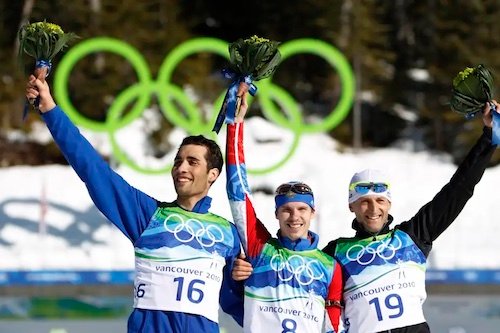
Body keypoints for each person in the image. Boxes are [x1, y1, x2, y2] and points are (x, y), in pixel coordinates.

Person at [232, 101, 498, 332]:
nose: (373, 209)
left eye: (380, 201)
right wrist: (248, 271)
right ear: (352, 207)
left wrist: (488, 138)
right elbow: (293, 278)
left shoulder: (413, 236)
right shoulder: (334, 253)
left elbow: (458, 190)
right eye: (364, 202)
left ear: (389, 204)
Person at [25, 74, 243, 333]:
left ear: (212, 175)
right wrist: (50, 110)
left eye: (192, 162)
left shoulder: (228, 234)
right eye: (178, 161)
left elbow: (246, 306)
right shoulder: (148, 215)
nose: (181, 168)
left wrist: (243, 280)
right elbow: (92, 168)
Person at [225, 92, 343, 333]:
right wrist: (235, 125)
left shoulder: (330, 267)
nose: (294, 216)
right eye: (286, 210)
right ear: (277, 214)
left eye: (302, 209)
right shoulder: (259, 249)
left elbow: (334, 324)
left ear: (313, 213)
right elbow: (238, 193)